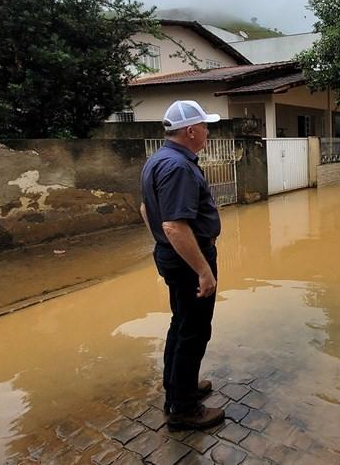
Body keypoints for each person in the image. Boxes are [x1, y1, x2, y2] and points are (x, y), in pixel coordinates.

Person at [140, 100, 225, 431]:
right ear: (191, 131)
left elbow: (147, 211)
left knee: (182, 323)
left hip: (175, 256)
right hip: (188, 260)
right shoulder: (178, 167)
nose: (207, 131)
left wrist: (164, 245)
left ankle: (178, 388)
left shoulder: (159, 160)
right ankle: (183, 409)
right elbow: (175, 225)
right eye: (205, 126)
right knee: (194, 330)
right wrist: (203, 271)